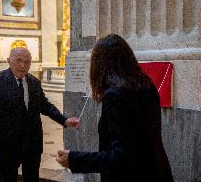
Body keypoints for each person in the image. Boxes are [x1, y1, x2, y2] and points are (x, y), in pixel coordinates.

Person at [57, 34, 174, 182]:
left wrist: (74, 159)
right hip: (156, 172)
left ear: (100, 65)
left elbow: (122, 156)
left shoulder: (115, 95)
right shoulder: (147, 85)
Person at [0, 40, 79, 182]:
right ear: (9, 61)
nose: (22, 65)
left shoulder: (34, 82)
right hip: (7, 146)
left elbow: (45, 106)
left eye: (27, 62)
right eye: (18, 61)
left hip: (32, 145)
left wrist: (64, 120)